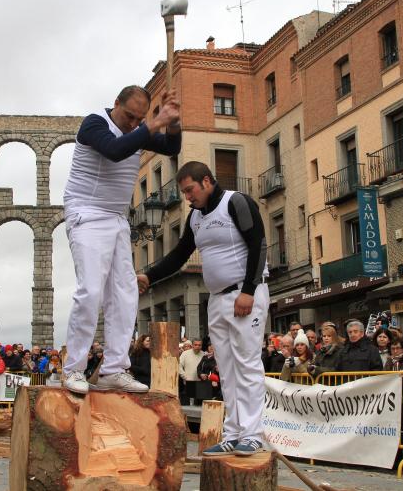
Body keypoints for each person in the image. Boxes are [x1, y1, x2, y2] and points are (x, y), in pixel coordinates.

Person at [139, 160, 269, 456]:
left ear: (207, 181)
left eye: (190, 190)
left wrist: (248, 290)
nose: (187, 197)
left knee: (247, 363)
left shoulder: (236, 202)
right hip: (217, 298)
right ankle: (234, 432)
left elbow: (258, 244)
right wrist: (150, 275)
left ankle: (253, 433)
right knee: (226, 367)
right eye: (184, 192)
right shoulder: (196, 217)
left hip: (244, 293)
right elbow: (179, 254)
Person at [61, 85, 181, 395]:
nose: (133, 123)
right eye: (129, 116)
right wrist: (153, 123)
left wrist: (173, 121)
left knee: (125, 294)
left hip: (116, 218)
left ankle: (114, 369)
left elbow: (172, 146)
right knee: (90, 290)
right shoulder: (94, 123)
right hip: (86, 213)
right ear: (116, 104)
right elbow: (115, 151)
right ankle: (73, 369)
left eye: (139, 118)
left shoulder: (139, 129)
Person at [178, 339, 205, 405]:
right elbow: (178, 366)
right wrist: (185, 376)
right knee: (187, 405)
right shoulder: (185, 354)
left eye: (199, 345)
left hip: (200, 384)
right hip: (188, 383)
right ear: (192, 345)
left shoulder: (204, 354)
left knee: (198, 406)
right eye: (195, 345)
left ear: (201, 346)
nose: (197, 346)